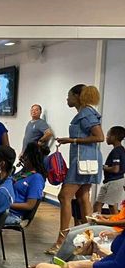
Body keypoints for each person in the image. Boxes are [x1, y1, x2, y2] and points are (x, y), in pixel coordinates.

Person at [48, 85, 104, 255]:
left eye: (69, 95)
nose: (67, 99)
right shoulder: (88, 112)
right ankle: (89, 241)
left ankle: (61, 240)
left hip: (83, 161)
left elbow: (99, 136)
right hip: (87, 161)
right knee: (83, 197)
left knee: (64, 196)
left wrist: (72, 140)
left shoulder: (86, 113)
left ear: (78, 96)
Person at [5, 142, 47, 225]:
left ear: (31, 158)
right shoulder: (23, 172)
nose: (23, 157)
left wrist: (6, 204)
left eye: (25, 156)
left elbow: (29, 205)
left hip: (14, 214)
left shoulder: (36, 178)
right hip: (5, 210)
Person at [94, 126, 125, 214]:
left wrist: (103, 167)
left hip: (115, 182)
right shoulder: (121, 150)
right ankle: (96, 224)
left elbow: (115, 169)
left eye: (108, 135)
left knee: (112, 206)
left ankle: (118, 226)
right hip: (110, 182)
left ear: (114, 137)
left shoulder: (116, 151)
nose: (106, 137)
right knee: (97, 205)